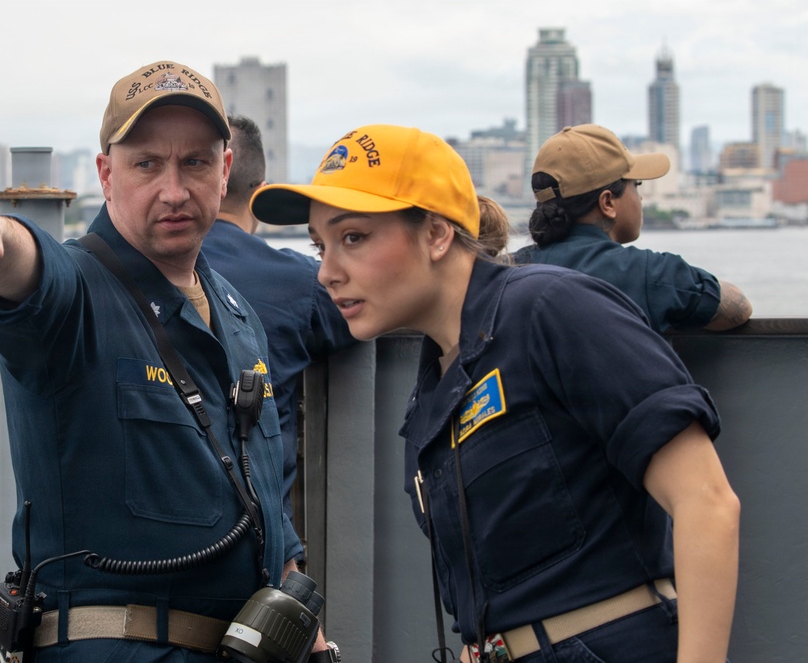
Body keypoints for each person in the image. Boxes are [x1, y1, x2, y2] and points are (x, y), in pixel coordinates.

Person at [250, 124, 741, 662]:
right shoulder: (436, 383)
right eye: (320, 246)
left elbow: (707, 503)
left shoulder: (550, 308)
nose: (326, 273)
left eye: (353, 238)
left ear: (437, 234)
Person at [0, 60, 333, 662]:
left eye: (195, 162)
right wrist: (0, 242)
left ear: (224, 173)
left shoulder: (238, 316)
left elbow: (263, 489)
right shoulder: (79, 294)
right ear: (106, 174)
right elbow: (32, 277)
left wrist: (308, 628)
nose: (174, 189)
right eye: (147, 164)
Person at [201, 115, 356, 525]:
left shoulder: (136, 271)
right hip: (262, 532)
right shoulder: (303, 283)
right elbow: (361, 322)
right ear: (260, 194)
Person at [513, 124, 752, 333]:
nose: (641, 198)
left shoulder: (503, 270)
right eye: (636, 185)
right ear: (607, 202)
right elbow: (738, 309)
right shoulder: (650, 273)